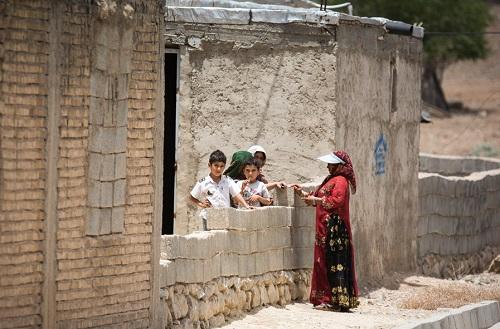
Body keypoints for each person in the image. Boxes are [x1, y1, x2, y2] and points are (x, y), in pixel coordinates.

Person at [292, 150, 359, 312]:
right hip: (324, 229)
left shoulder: (341, 181)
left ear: (340, 166)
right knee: (322, 261)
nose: (328, 167)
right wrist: (301, 193)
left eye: (331, 164)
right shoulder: (329, 179)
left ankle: (336, 301)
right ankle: (325, 298)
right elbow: (317, 199)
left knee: (334, 263)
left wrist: (316, 200)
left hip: (335, 230)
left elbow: (336, 201)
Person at [190, 150, 251, 230]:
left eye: (222, 166)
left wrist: (246, 206)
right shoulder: (203, 182)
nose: (219, 169)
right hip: (209, 217)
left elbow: (236, 194)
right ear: (209, 165)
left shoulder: (227, 180)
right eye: (216, 165)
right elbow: (191, 197)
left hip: (224, 216)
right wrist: (201, 204)